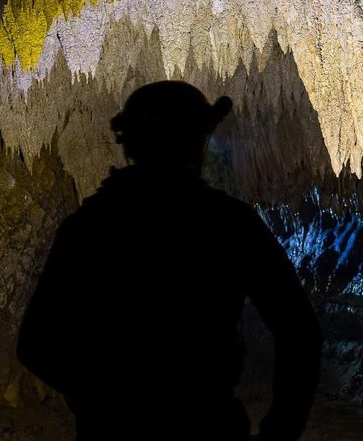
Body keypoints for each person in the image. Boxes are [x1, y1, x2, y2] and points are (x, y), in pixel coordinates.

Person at [17, 81, 323, 440]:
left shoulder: (90, 226)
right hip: (207, 425)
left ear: (130, 144)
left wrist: (98, 398)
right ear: (197, 142)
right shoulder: (228, 224)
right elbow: (300, 331)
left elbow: (34, 343)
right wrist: (280, 432)